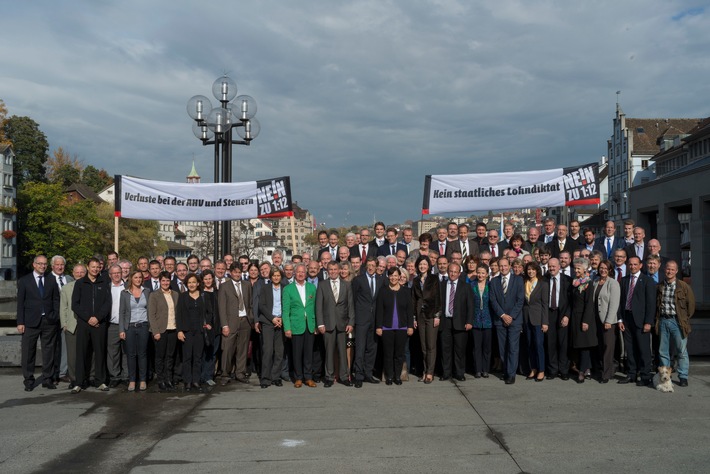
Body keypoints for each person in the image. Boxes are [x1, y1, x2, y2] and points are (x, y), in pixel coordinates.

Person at [17, 255, 61, 391]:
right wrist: (20, 322)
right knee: (28, 351)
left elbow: (56, 300)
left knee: (49, 351)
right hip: (30, 322)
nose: (43, 266)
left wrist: (54, 316)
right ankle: (29, 380)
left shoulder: (51, 279)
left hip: (48, 321)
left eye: (45, 264)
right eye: (40, 264)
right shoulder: (24, 281)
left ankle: (47, 378)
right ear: (34, 265)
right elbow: (20, 303)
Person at [72, 257, 112, 393]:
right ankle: (79, 382)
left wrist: (98, 318)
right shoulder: (80, 283)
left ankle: (100, 381)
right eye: (92, 266)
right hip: (84, 323)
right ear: (87, 267)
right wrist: (88, 318)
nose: (95, 269)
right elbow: (75, 305)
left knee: (100, 352)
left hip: (99, 324)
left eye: (97, 267)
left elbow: (108, 303)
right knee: (81, 353)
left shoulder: (104, 282)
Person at [618, 256, 656, 386]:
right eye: (630, 264)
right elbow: (621, 301)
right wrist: (620, 319)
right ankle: (631, 374)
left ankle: (645, 376)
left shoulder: (647, 281)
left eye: (635, 264)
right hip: (627, 319)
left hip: (641, 321)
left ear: (640, 265)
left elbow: (651, 304)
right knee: (630, 348)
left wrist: (648, 322)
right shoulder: (623, 281)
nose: (632, 267)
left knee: (643, 349)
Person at [655, 260, 694, 387]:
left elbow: (691, 306)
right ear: (664, 270)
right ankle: (666, 375)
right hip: (663, 321)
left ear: (676, 271)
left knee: (681, 351)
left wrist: (684, 319)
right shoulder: (660, 286)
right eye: (668, 269)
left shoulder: (683, 286)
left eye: (672, 269)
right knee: (663, 351)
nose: (669, 271)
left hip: (678, 322)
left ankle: (683, 376)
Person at [316, 261, 355, 387]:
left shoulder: (346, 285)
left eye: (335, 269)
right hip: (328, 324)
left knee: (343, 352)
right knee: (329, 352)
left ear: (339, 270)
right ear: (327, 271)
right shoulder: (322, 285)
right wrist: (320, 323)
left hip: (343, 323)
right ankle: (329, 377)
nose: (332, 272)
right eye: (330, 270)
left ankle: (344, 377)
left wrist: (351, 322)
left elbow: (350, 305)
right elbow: (319, 306)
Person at [375, 267, 414, 385]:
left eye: (396, 275)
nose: (393, 278)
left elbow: (409, 310)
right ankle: (389, 376)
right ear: (388, 277)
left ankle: (398, 376)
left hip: (402, 327)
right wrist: (378, 326)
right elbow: (379, 310)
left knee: (399, 353)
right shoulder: (383, 291)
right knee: (388, 353)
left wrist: (410, 326)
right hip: (387, 328)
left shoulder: (406, 291)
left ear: (399, 277)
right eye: (391, 275)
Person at [490, 258, 525, 384]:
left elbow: (520, 300)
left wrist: (510, 316)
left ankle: (511, 373)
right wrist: (503, 315)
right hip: (500, 320)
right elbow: (493, 300)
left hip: (514, 320)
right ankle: (506, 370)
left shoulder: (518, 280)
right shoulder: (494, 281)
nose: (503, 268)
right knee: (503, 348)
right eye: (501, 266)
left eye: (505, 266)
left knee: (513, 347)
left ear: (510, 266)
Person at [282, 263, 317, 388]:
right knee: (296, 353)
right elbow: (285, 311)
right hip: (296, 325)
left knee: (308, 353)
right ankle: (298, 377)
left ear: (306, 273)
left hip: (309, 325)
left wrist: (316, 325)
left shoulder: (312, 288)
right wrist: (287, 327)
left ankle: (308, 377)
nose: (301, 274)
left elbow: (315, 308)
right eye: (298, 272)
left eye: (303, 272)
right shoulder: (288, 289)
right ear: (294, 273)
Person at [218, 263, 253, 385]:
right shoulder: (224, 286)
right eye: (235, 272)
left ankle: (240, 373)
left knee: (242, 349)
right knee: (228, 349)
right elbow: (221, 308)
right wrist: (224, 325)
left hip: (245, 321)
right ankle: (225, 374)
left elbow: (250, 303)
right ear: (231, 272)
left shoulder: (247, 285)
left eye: (239, 272)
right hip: (231, 322)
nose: (237, 274)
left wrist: (251, 319)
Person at [351, 257, 384, 388]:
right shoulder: (358, 280)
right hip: (361, 318)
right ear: (365, 266)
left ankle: (368, 374)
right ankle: (358, 375)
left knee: (372, 348)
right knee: (360, 347)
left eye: (373, 265)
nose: (370, 267)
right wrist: (353, 319)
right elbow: (353, 300)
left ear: (376, 267)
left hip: (375, 319)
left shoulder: (381, 280)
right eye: (368, 265)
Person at [176, 273, 212, 392]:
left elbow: (209, 312)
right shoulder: (183, 296)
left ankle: (196, 381)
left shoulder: (204, 295)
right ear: (186, 284)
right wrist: (180, 330)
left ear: (198, 283)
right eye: (189, 282)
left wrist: (208, 324)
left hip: (200, 331)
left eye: (193, 282)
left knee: (197, 357)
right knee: (187, 357)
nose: (191, 284)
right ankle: (187, 381)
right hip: (187, 331)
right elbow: (179, 314)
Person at [438, 262, 473, 382]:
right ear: (448, 272)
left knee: (460, 350)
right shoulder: (441, 285)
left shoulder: (465, 286)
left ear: (459, 273)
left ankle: (459, 373)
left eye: (455, 272)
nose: (452, 274)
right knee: (445, 349)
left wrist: (469, 321)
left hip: (461, 322)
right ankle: (446, 373)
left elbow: (470, 306)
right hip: (445, 321)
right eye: (451, 271)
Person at [119, 270, 150, 392]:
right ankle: (132, 380)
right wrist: (122, 329)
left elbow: (149, 309)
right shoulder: (125, 293)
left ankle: (142, 380)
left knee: (142, 354)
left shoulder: (146, 291)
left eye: (140, 277)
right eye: (135, 277)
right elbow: (122, 312)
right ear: (131, 279)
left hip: (143, 326)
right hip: (130, 327)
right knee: (131, 354)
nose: (138, 279)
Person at [412, 255, 441, 383]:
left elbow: (438, 298)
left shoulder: (434, 279)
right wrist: (414, 317)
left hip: (431, 314)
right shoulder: (415, 280)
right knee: (423, 346)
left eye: (424, 264)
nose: (422, 266)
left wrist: (437, 315)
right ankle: (424, 371)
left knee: (431, 345)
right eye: (420, 264)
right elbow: (414, 299)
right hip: (420, 315)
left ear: (429, 266)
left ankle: (430, 372)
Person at [149, 271, 179, 391]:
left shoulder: (176, 294)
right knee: (160, 356)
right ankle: (161, 379)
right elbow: (151, 315)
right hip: (160, 330)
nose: (166, 282)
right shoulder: (154, 295)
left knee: (170, 356)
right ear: (160, 281)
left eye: (167, 280)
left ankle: (168, 379)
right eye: (163, 280)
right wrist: (155, 331)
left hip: (173, 329)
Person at [593, 260, 620, 383]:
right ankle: (600, 370)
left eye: (605, 268)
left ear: (610, 270)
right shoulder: (595, 281)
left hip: (607, 321)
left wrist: (609, 320)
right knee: (599, 346)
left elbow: (614, 304)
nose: (603, 270)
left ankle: (607, 374)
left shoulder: (613, 283)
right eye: (601, 268)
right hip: (596, 319)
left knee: (608, 347)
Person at [570, 258, 597, 384]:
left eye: (578, 269)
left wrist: (586, 321)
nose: (576, 270)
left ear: (585, 270)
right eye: (575, 268)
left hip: (584, 318)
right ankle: (586, 368)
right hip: (575, 317)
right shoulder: (575, 282)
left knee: (585, 346)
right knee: (579, 345)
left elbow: (589, 304)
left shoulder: (588, 283)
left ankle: (582, 371)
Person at [258, 266, 286, 388]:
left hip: (281, 322)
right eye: (274, 275)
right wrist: (273, 318)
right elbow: (262, 306)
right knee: (268, 351)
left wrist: (281, 319)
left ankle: (276, 377)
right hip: (269, 322)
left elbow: (288, 305)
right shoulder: (265, 288)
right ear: (270, 277)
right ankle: (265, 378)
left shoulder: (285, 288)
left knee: (279, 352)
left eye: (278, 275)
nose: (276, 277)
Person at [60, 264, 86, 389]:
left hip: (86, 325)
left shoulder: (89, 286)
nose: (79, 274)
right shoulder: (66, 288)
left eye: (82, 272)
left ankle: (85, 378)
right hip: (71, 325)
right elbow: (63, 307)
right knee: (72, 355)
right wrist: (64, 324)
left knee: (87, 353)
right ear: (73, 273)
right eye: (77, 272)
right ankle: (74, 379)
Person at [545, 258, 572, 380]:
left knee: (563, 343)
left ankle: (564, 370)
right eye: (549, 266)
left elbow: (571, 301)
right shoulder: (544, 280)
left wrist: (567, 315)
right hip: (549, 313)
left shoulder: (567, 280)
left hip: (562, 314)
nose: (551, 268)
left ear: (559, 266)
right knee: (551, 343)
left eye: (553, 266)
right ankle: (553, 370)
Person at [523, 262, 549, 382]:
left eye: (533, 270)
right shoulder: (524, 282)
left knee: (539, 345)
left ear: (537, 271)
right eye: (529, 269)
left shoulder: (543, 284)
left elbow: (544, 304)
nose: (531, 272)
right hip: (526, 318)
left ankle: (541, 370)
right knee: (529, 345)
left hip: (538, 319)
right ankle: (533, 368)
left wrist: (545, 322)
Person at [471, 263, 492, 378]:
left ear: (487, 274)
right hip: (475, 320)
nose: (480, 275)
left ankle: (486, 369)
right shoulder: (472, 285)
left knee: (487, 347)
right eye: (478, 272)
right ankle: (478, 369)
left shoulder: (490, 285)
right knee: (476, 347)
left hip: (488, 320)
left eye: (483, 273)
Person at [200, 270, 220, 387]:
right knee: (204, 353)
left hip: (216, 327)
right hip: (204, 328)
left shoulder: (217, 292)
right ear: (202, 280)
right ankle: (202, 376)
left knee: (213, 353)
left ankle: (209, 376)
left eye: (210, 278)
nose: (208, 281)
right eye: (205, 279)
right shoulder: (200, 293)